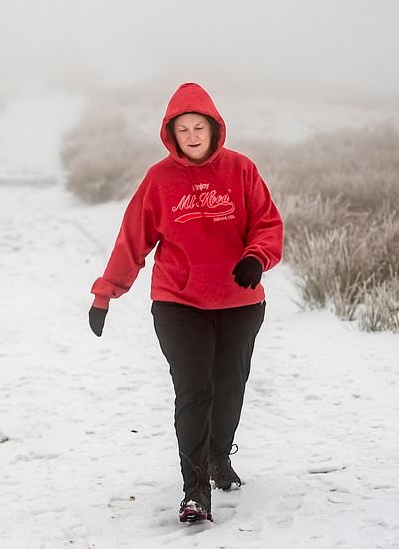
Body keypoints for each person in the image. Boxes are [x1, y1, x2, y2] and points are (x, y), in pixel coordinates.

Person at [88, 82, 284, 523]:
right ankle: (195, 489)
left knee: (229, 390)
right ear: (171, 134)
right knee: (195, 391)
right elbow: (132, 240)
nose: (192, 135)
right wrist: (106, 292)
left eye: (199, 127)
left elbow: (268, 224)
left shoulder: (241, 170)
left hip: (239, 302)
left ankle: (218, 455)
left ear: (215, 129)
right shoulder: (160, 180)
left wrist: (257, 258)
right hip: (179, 303)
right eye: (183, 129)